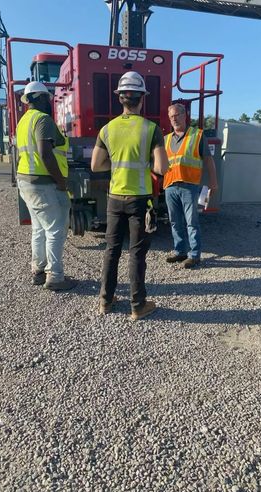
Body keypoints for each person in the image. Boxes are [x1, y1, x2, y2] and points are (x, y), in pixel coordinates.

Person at [91, 71, 169, 320]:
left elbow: (96, 165)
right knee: (136, 253)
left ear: (120, 99)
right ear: (141, 98)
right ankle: (138, 306)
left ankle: (105, 301)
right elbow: (161, 168)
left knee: (111, 250)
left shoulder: (107, 129)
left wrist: (117, 164)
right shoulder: (151, 129)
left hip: (115, 198)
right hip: (140, 199)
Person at [15, 81, 76, 291]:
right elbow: (45, 153)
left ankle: (38, 270)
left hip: (26, 181)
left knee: (39, 228)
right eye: (47, 98)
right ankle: (56, 277)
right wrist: (61, 181)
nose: (49, 102)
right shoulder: (43, 119)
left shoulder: (23, 121)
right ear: (40, 98)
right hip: (44, 183)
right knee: (55, 230)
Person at [163, 103, 218, 268]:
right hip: (170, 185)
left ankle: (194, 255)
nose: (174, 119)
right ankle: (180, 251)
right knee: (174, 221)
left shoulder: (197, 135)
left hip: (189, 185)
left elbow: (208, 160)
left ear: (185, 115)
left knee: (191, 222)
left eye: (177, 115)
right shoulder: (166, 139)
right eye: (171, 116)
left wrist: (213, 182)